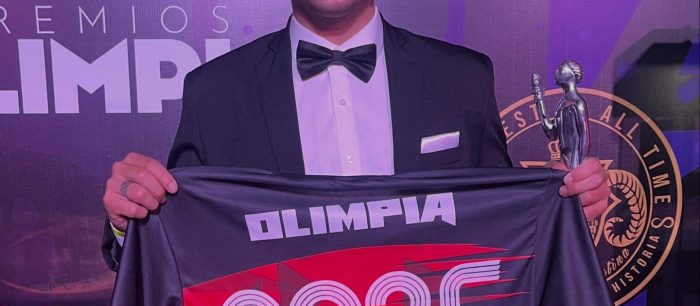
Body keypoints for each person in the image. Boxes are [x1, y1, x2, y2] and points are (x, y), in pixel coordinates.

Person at [101, 0, 610, 269]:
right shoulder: (215, 91)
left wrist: (563, 211)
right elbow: (180, 254)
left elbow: (501, 237)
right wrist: (130, 223)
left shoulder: (462, 77)